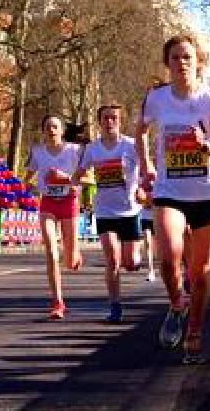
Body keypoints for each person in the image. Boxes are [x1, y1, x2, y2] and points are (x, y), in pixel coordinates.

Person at [136, 33, 210, 364]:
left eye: (187, 57)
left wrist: (205, 146)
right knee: (169, 257)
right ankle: (176, 304)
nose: (182, 63)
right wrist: (146, 166)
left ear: (198, 63)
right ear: (167, 64)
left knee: (201, 271)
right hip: (169, 191)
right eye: (176, 57)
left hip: (207, 193)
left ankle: (194, 332)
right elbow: (139, 131)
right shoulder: (156, 98)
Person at [73, 102, 142, 323]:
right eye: (106, 118)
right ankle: (115, 306)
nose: (110, 121)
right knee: (112, 258)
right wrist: (85, 180)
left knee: (130, 263)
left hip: (130, 210)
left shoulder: (131, 145)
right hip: (105, 211)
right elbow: (78, 176)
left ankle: (134, 259)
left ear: (120, 121)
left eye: (114, 117)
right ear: (100, 122)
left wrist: (143, 188)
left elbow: (147, 171)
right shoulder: (93, 149)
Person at [24, 115, 84, 320]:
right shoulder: (38, 152)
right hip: (48, 203)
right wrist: (26, 186)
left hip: (69, 202)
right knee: (51, 250)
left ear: (62, 131)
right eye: (48, 126)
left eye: (55, 126)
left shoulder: (75, 151)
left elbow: (90, 178)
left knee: (70, 261)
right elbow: (29, 176)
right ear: (43, 130)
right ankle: (58, 302)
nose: (51, 130)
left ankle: (74, 253)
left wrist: (65, 178)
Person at [137, 187, 157, 282]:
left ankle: (165, 268)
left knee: (159, 247)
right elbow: (138, 199)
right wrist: (142, 200)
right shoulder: (141, 181)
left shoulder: (158, 178)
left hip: (158, 217)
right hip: (145, 217)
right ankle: (150, 270)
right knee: (148, 243)